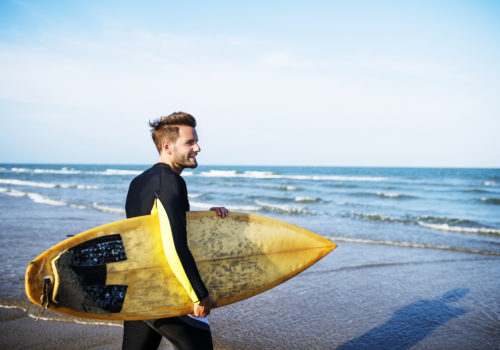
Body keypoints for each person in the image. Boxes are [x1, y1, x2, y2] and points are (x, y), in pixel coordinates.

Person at [122, 112, 228, 350]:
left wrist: (204, 219)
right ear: (167, 146)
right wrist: (198, 294)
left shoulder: (138, 182)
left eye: (196, 141)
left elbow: (153, 232)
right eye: (190, 142)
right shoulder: (170, 182)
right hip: (166, 294)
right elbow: (173, 244)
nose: (198, 148)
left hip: (138, 293)